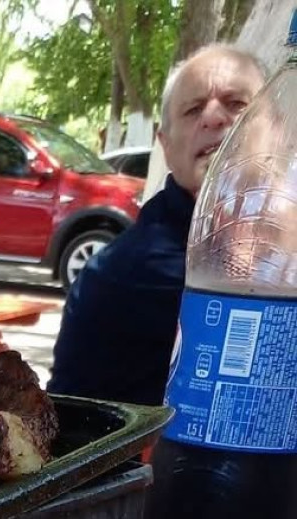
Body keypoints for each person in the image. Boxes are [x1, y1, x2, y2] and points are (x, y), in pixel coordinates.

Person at [49, 45, 266, 406]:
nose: (212, 117)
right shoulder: (142, 264)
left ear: (279, 127)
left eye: (236, 104)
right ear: (165, 146)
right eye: (193, 109)